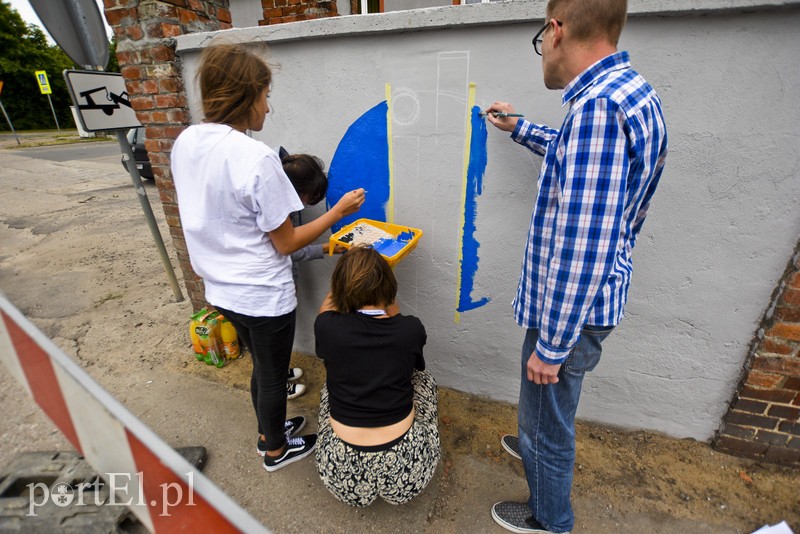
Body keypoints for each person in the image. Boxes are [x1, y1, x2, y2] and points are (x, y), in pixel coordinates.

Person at [484, 1, 668, 532]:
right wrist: (521, 128)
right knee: (547, 411)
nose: (543, 50)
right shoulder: (628, 92)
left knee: (548, 425)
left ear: (556, 30)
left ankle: (551, 519)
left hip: (570, 311)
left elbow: (583, 242)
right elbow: (577, 159)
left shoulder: (598, 110)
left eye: (541, 39)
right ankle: (535, 435)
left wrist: (553, 344)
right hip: (590, 300)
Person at [170, 42, 365, 472]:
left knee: (263, 367)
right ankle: (275, 449)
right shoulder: (255, 157)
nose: (268, 107)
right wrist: (337, 213)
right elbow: (287, 243)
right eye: (265, 95)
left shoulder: (186, 142)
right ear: (246, 95)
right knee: (274, 374)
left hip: (221, 289)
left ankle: (269, 430)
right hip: (262, 295)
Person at [313, 246, 440, 506]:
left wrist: (345, 280)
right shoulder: (410, 330)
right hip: (408, 470)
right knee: (424, 380)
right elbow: (398, 324)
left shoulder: (326, 327)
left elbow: (327, 308)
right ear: (390, 289)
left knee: (328, 387)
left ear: (338, 289)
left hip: (340, 472)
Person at [278, 149, 347, 400]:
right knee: (271, 349)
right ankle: (276, 385)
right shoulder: (277, 210)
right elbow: (289, 249)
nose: (306, 204)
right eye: (308, 198)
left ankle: (279, 373)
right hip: (268, 295)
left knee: (280, 342)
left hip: (281, 287)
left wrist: (328, 248)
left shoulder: (283, 197)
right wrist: (326, 247)